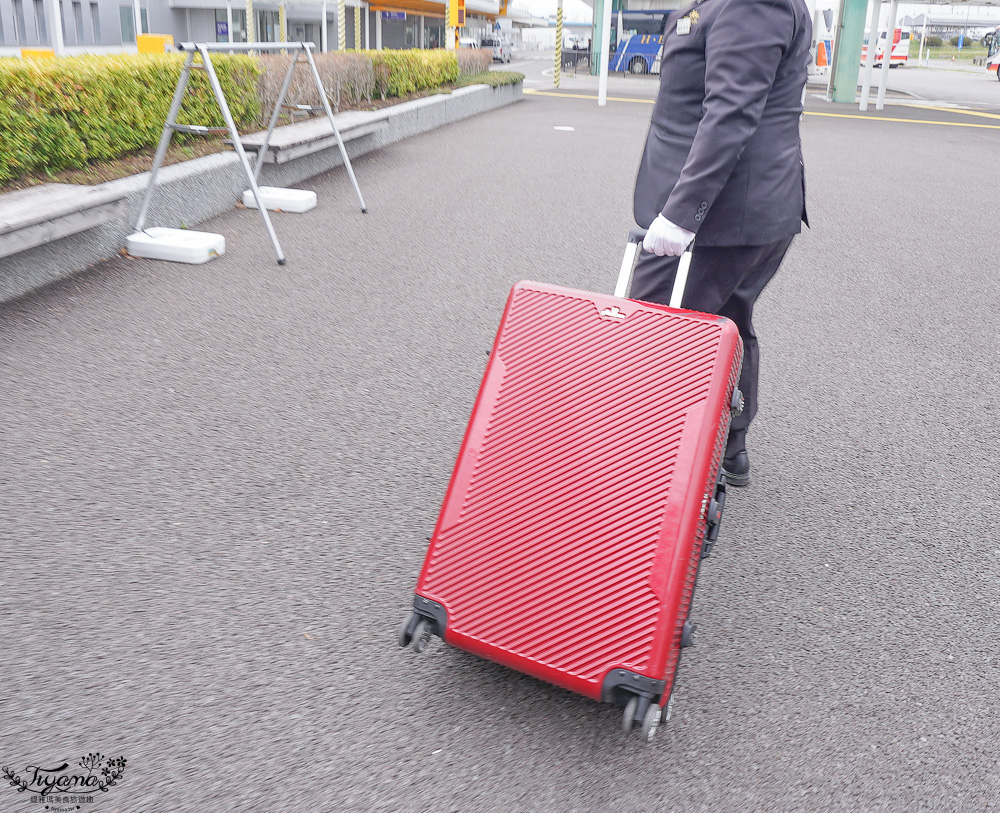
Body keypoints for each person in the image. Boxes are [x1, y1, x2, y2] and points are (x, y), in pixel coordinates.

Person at [631, 0, 812, 487]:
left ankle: (652, 463)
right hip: (742, 211)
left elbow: (732, 112)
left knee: (655, 329)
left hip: (723, 215)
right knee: (728, 319)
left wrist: (681, 215)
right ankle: (728, 447)